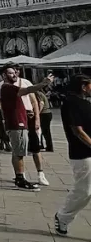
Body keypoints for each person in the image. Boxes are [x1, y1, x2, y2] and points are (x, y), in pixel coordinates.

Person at [0, 65, 53, 191]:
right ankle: (20, 180)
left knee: (17, 151)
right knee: (19, 153)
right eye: (11, 73)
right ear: (4, 75)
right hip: (17, 124)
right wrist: (44, 83)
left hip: (17, 122)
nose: (15, 75)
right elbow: (28, 90)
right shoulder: (7, 87)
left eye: (15, 72)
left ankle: (19, 177)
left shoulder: (7, 88)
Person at [55, 74, 91, 236]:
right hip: (82, 154)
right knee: (84, 191)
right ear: (83, 86)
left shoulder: (85, 102)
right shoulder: (71, 103)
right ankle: (63, 216)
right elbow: (78, 131)